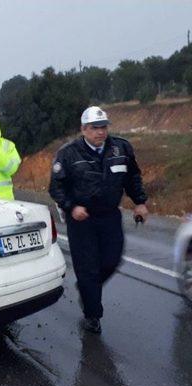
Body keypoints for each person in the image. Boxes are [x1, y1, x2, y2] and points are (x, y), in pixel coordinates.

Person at [49, 106, 148, 334]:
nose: (100, 132)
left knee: (112, 259)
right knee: (88, 269)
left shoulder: (121, 148)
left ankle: (87, 289)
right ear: (83, 129)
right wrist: (71, 207)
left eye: (103, 127)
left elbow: (132, 177)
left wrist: (140, 202)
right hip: (82, 220)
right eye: (95, 128)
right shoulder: (68, 153)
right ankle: (92, 315)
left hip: (110, 216)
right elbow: (56, 187)